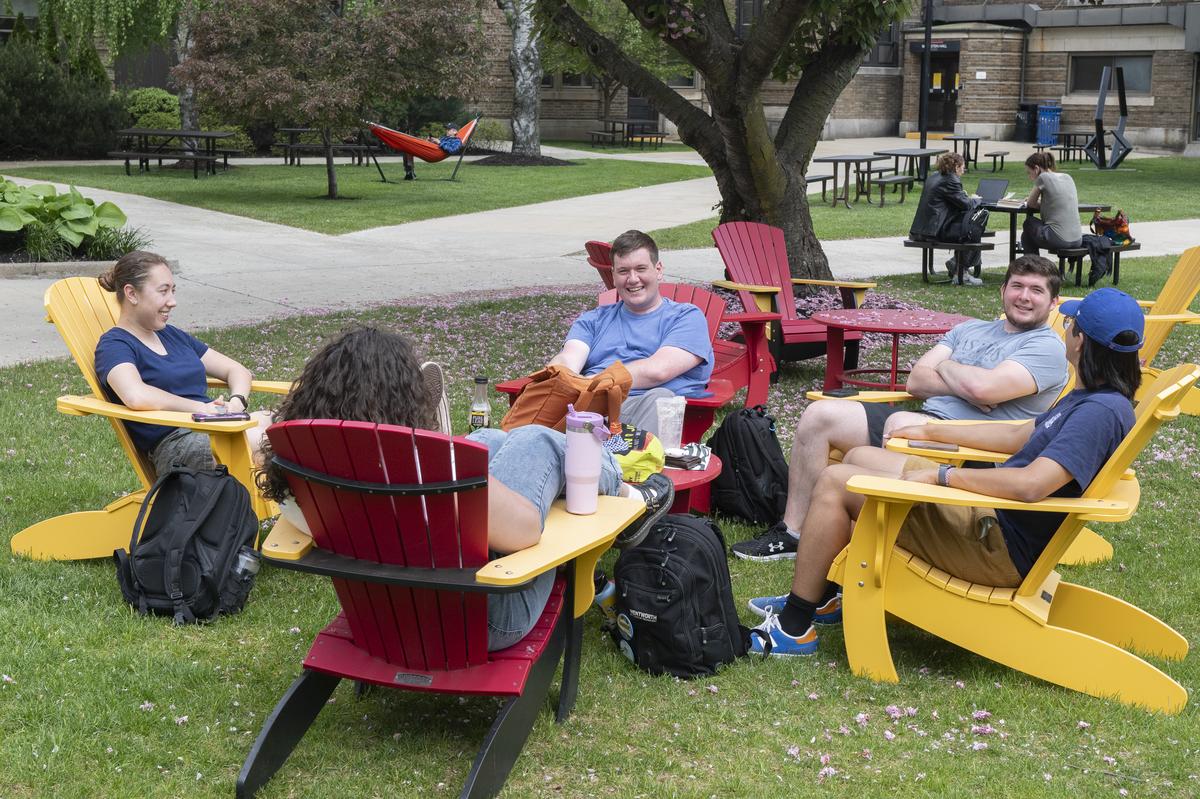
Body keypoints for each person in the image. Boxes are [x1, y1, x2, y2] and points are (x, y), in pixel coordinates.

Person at [747, 287, 1144, 657]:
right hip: (991, 522)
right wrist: (930, 429)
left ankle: (795, 625)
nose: (1066, 330)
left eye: (1071, 325)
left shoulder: (1098, 413)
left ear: (1081, 342)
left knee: (837, 482)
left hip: (995, 545)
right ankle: (826, 595)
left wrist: (941, 478)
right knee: (860, 459)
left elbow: (1031, 483)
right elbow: (1019, 434)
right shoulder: (1094, 398)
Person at [257, 327, 675, 651]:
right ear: (403, 403)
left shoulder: (302, 466)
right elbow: (523, 534)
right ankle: (624, 492)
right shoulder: (428, 471)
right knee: (536, 440)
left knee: (490, 439)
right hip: (484, 614)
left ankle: (610, 486)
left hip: (377, 615)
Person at [731, 255, 1069, 562]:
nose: (1024, 297)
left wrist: (954, 372)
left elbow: (982, 389)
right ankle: (793, 532)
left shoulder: (1046, 348)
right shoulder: (970, 329)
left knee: (860, 455)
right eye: (1017, 286)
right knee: (821, 416)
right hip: (920, 419)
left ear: (1052, 302)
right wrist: (967, 383)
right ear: (1003, 291)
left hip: (971, 445)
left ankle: (847, 526)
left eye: (1036, 290)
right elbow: (917, 381)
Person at [94, 251, 272, 475]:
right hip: (178, 445)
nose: (173, 301)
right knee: (276, 440)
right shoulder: (114, 345)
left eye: (173, 290)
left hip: (215, 428)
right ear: (131, 293)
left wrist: (236, 403)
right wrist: (202, 409)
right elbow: (135, 395)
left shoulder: (172, 335)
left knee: (287, 424)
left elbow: (237, 370)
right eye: (163, 291)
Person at [547, 229, 714, 435]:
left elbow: (657, 370)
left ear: (658, 269)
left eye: (641, 268)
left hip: (641, 408)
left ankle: (629, 464)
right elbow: (568, 359)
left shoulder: (686, 317)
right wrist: (556, 373)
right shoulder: (593, 320)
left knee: (659, 399)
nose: (633, 279)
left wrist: (590, 383)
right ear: (613, 275)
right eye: (624, 271)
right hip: (589, 412)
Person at [909, 152, 985, 286]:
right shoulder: (951, 179)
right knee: (974, 228)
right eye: (963, 167)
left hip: (922, 230)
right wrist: (976, 200)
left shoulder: (934, 177)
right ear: (956, 167)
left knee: (970, 228)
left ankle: (957, 264)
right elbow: (966, 205)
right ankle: (960, 271)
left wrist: (964, 197)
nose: (963, 170)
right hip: (936, 232)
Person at [1020, 151, 1081, 257]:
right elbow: (1057, 202)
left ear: (1037, 168)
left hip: (1059, 239)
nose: (1030, 177)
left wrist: (1035, 201)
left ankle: (1034, 269)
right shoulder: (1067, 177)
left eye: (1029, 173)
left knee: (1029, 223)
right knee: (1026, 236)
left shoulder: (1043, 177)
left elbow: (1030, 204)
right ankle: (1033, 268)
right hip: (1077, 239)